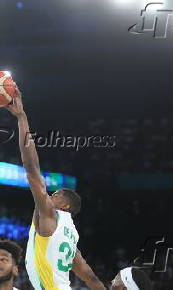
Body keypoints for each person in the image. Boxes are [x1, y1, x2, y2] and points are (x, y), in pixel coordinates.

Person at [6, 89, 105, 290]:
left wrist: (21, 117)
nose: (51, 195)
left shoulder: (50, 214)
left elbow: (31, 167)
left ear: (66, 205)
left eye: (56, 194)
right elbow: (91, 279)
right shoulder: (72, 236)